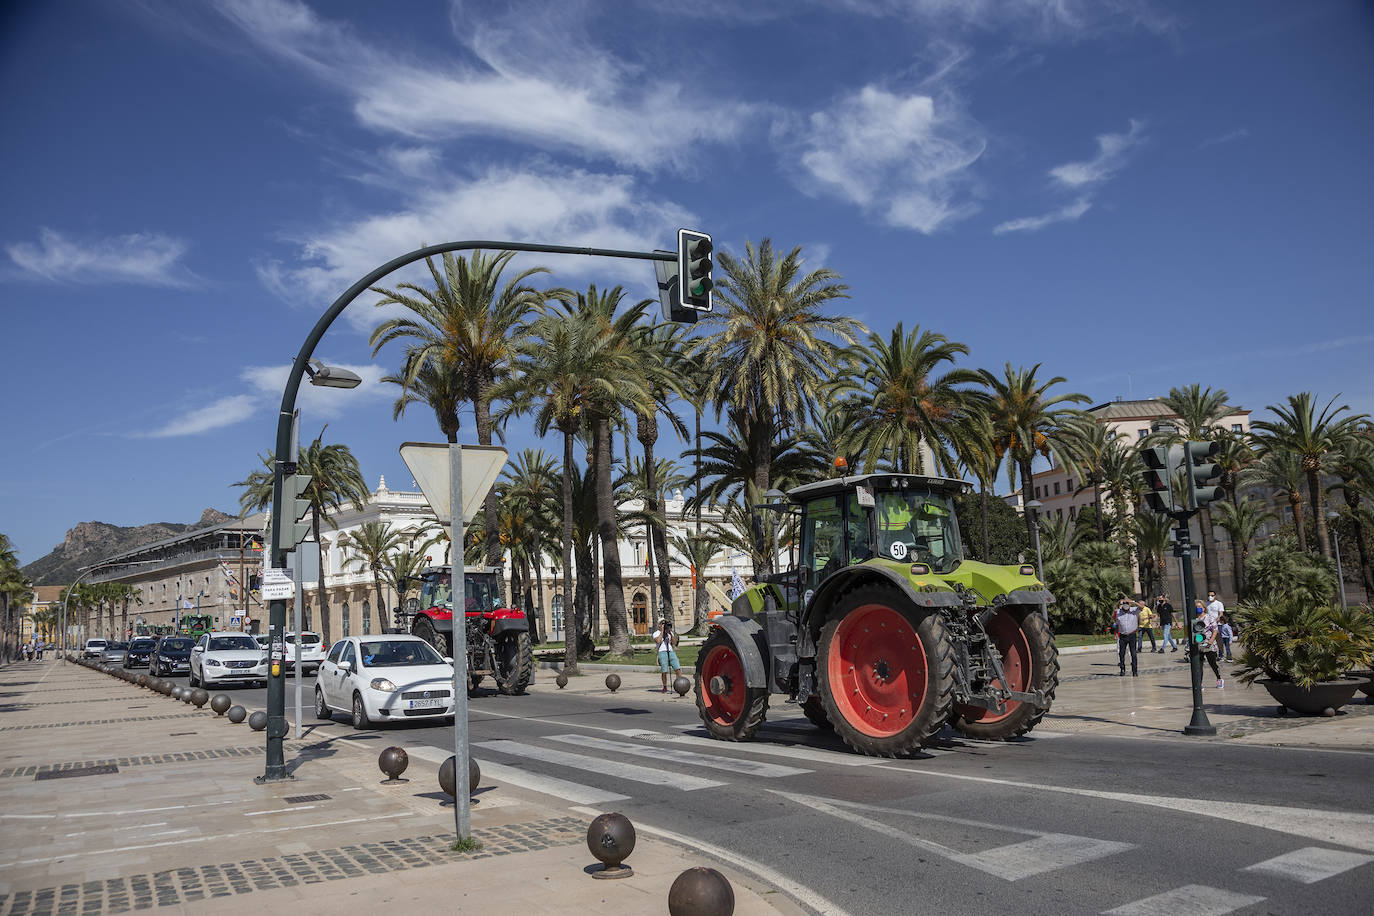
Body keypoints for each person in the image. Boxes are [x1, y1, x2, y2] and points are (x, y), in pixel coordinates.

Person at [1113, 597, 1144, 677]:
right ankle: (1122, 669)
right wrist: (1116, 633)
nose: (1125, 605)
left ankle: (1134, 671)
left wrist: (1132, 601)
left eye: (1127, 603)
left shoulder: (1134, 610)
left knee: (1133, 653)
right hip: (1122, 636)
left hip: (1132, 635)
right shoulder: (1119, 612)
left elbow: (1142, 607)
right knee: (1121, 653)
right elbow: (1117, 624)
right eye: (1124, 603)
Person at [652, 617, 682, 693]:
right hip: (662, 652)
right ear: (659, 625)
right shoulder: (656, 633)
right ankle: (664, 686)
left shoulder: (669, 633)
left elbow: (674, 643)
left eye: (664, 623)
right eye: (662, 623)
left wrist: (670, 633)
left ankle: (679, 685)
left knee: (677, 668)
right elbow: (658, 641)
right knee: (664, 671)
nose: (663, 625)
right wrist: (662, 631)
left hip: (670, 651)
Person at [1197, 606, 1223, 687]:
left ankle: (1219, 678)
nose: (1198, 608)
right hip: (1198, 644)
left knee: (1212, 663)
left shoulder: (1209, 617)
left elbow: (1215, 629)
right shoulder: (1194, 618)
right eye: (1196, 607)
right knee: (1199, 665)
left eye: (1199, 606)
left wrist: (1211, 640)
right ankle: (1199, 683)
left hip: (1209, 644)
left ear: (1204, 608)